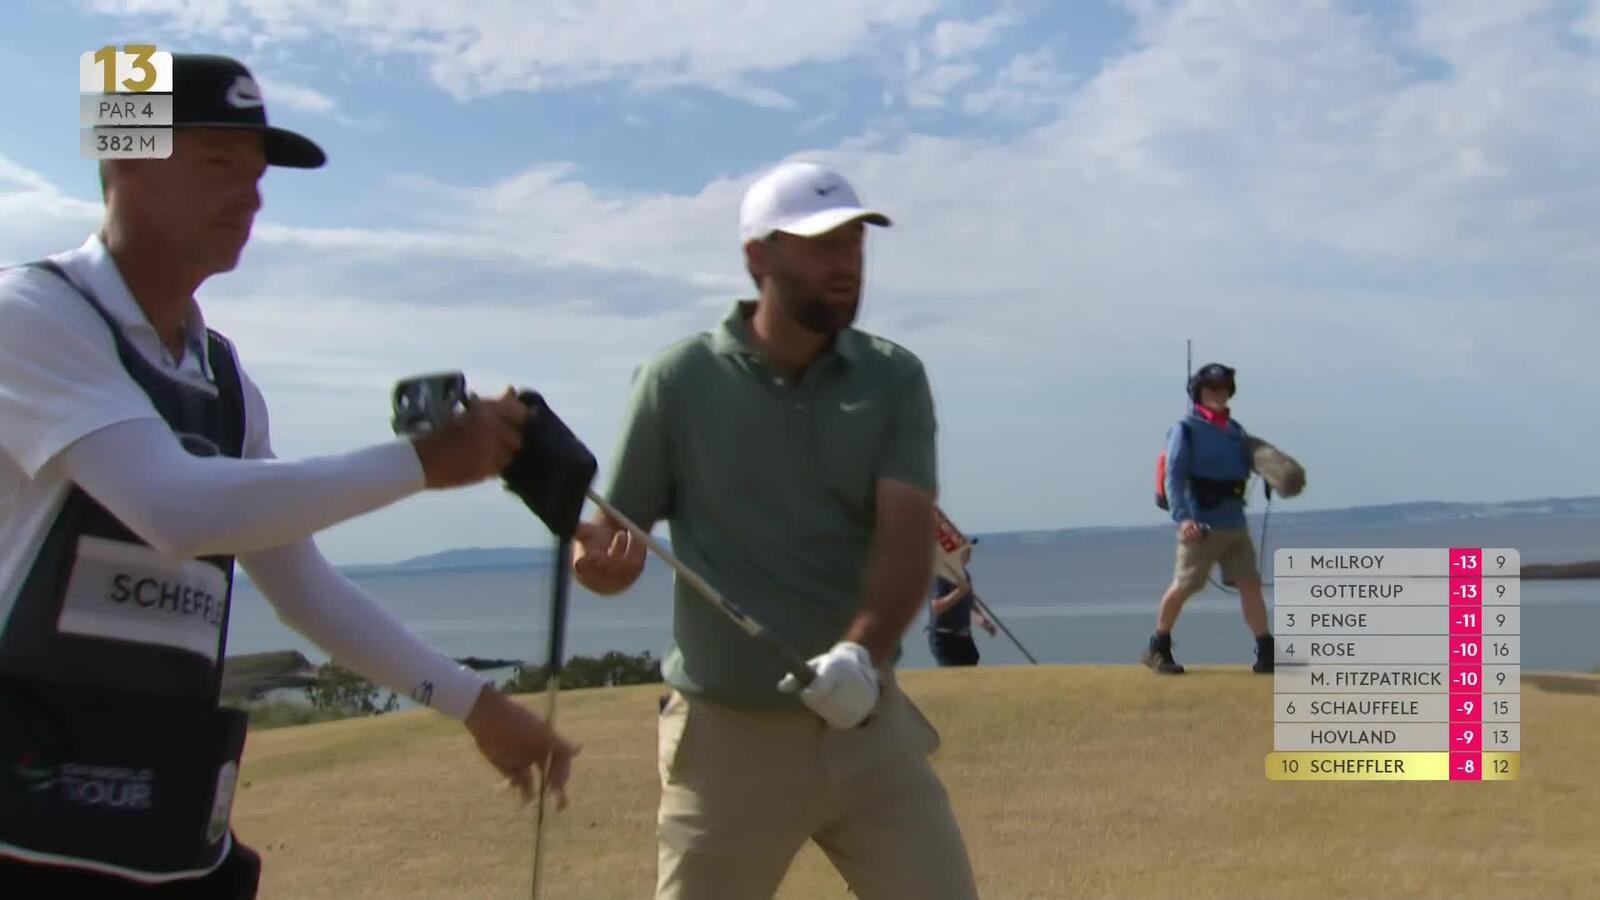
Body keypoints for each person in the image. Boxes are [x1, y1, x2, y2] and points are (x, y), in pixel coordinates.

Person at [0, 54, 575, 898]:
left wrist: (477, 706)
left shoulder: (225, 382)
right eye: (217, 165)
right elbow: (175, 511)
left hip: (159, 832)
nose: (252, 196)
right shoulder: (32, 316)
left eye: (259, 174)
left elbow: (302, 587)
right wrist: (421, 463)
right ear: (122, 160)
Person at [570, 160, 978, 899]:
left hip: (866, 728)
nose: (847, 264)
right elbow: (614, 543)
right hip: (729, 745)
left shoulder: (893, 379)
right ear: (759, 256)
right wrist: (599, 563)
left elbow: (905, 538)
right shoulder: (677, 382)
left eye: (855, 244)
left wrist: (860, 651)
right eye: (822, 245)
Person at [1143, 362, 1273, 675]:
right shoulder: (1185, 430)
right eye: (1211, 389)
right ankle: (1157, 647)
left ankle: (1266, 650)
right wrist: (1183, 518)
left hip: (1234, 523)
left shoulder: (1236, 431)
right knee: (1185, 585)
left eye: (1223, 388)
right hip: (1199, 526)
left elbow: (1251, 462)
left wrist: (1274, 472)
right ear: (1199, 393)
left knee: (1250, 584)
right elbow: (1174, 475)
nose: (1218, 394)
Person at [927, 543, 997, 667]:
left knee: (971, 676)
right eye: (966, 549)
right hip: (945, 638)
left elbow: (968, 604)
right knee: (953, 679)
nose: (970, 551)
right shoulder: (941, 575)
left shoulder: (965, 575)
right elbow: (937, 607)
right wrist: (960, 591)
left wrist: (984, 622)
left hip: (964, 638)